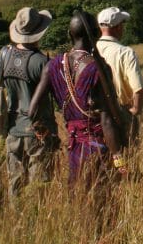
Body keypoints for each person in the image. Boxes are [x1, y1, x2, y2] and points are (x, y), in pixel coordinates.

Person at [29, 11, 127, 196]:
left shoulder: (52, 66)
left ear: (69, 34)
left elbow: (32, 110)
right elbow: (106, 121)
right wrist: (120, 161)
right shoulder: (98, 69)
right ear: (96, 34)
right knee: (101, 200)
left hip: (73, 146)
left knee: (78, 195)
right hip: (98, 146)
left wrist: (44, 133)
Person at [0, 7, 57, 203]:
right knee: (38, 187)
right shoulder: (43, 62)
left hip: (13, 129)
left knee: (15, 184)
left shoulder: (4, 54)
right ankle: (35, 219)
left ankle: (16, 218)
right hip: (38, 131)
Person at [96, 6, 143, 141]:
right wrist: (135, 111)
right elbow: (139, 89)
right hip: (120, 113)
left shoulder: (90, 51)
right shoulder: (126, 53)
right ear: (117, 27)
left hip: (94, 116)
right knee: (127, 152)